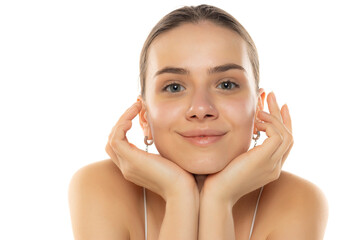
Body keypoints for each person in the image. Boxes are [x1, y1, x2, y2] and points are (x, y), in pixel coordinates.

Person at [68, 4, 328, 240]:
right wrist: (179, 194)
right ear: (144, 117)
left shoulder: (299, 201)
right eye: (174, 87)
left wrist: (219, 199)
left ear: (258, 108)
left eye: (226, 84)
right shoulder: (98, 187)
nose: (201, 108)